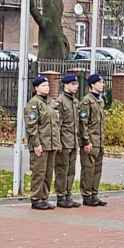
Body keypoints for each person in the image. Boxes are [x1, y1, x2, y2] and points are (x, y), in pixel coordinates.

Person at [24, 74, 61, 210]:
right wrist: (36, 144)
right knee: (39, 172)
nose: (47, 88)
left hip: (51, 144)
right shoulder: (34, 103)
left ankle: (44, 198)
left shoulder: (50, 103)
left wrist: (57, 143)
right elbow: (31, 126)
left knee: (48, 173)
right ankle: (36, 198)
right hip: (40, 144)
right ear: (36, 88)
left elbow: (55, 124)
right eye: (44, 85)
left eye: (48, 85)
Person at [79, 73, 107, 206]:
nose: (103, 85)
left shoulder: (100, 101)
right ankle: (87, 195)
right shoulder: (86, 101)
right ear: (92, 85)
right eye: (100, 82)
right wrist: (86, 141)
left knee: (97, 169)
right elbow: (83, 123)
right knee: (88, 169)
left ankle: (94, 194)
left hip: (99, 141)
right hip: (90, 141)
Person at [55, 72, 81, 208]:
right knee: (61, 170)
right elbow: (57, 124)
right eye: (73, 84)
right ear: (65, 85)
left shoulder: (75, 102)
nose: (76, 86)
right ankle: (60, 196)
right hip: (64, 141)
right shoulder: (60, 102)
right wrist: (58, 143)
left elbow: (77, 123)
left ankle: (68, 195)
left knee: (71, 170)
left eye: (76, 84)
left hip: (73, 141)